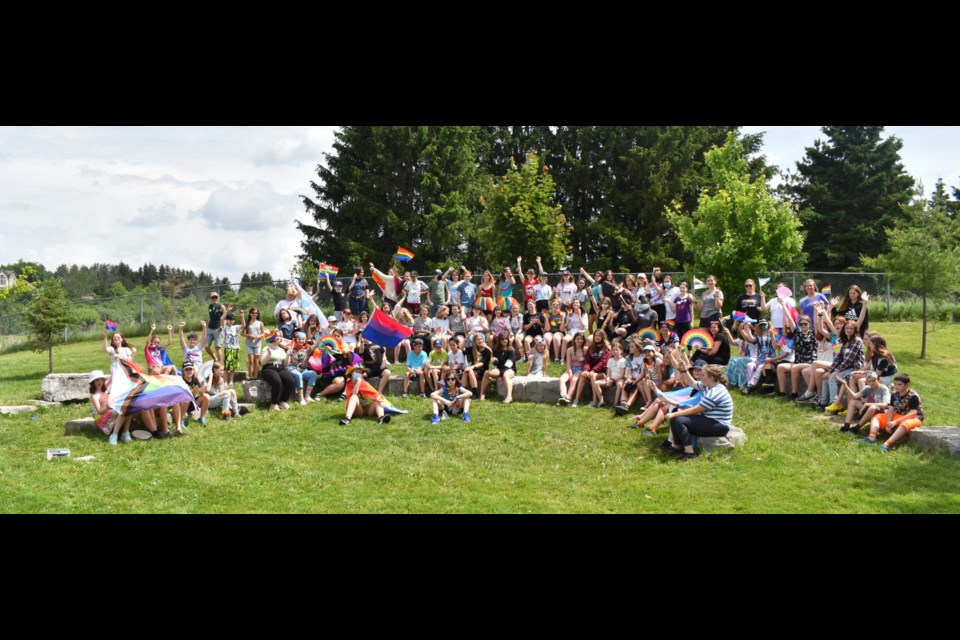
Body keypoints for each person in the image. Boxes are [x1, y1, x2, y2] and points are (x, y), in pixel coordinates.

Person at [661, 364, 734, 461]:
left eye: (703, 375)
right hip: (710, 419)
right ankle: (677, 447)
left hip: (719, 425)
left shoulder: (715, 393)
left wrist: (674, 414)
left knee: (679, 420)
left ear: (711, 377)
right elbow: (692, 383)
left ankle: (690, 453)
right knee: (676, 419)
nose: (700, 376)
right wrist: (684, 371)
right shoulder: (709, 386)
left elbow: (696, 409)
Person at [858, 373, 923, 452]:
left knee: (904, 425)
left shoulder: (913, 396)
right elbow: (891, 409)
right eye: (895, 384)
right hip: (898, 415)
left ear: (907, 385)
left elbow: (913, 413)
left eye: (899, 384)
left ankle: (886, 444)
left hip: (913, 418)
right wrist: (889, 423)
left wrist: (895, 422)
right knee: (876, 417)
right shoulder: (894, 395)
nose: (896, 386)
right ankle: (871, 438)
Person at [821, 318, 866, 413]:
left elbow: (849, 359)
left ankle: (835, 404)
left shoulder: (857, 341)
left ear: (855, 330)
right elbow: (839, 358)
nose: (849, 330)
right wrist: (830, 370)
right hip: (846, 367)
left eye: (851, 329)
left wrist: (836, 372)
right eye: (847, 328)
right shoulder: (845, 341)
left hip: (855, 368)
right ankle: (823, 402)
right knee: (826, 378)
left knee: (833, 378)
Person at [89, 370, 130, 444]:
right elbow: (99, 411)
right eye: (96, 380)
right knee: (121, 411)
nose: (99, 382)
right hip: (101, 415)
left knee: (129, 407)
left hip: (110, 409)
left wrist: (118, 364)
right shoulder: (94, 396)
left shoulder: (104, 387)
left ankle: (125, 432)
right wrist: (107, 406)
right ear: (92, 382)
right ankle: (114, 435)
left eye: (101, 379)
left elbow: (113, 375)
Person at [259, 331, 295, 411]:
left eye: (280, 336)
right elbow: (262, 362)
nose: (278, 337)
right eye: (276, 335)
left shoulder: (282, 350)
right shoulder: (267, 348)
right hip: (269, 368)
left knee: (291, 381)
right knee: (277, 381)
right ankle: (274, 404)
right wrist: (269, 354)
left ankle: (283, 402)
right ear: (272, 337)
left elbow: (285, 365)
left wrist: (288, 355)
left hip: (280, 368)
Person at [481, 332, 518, 403]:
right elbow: (498, 363)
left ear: (508, 340)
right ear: (499, 340)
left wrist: (500, 374)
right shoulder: (497, 350)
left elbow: (509, 364)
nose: (504, 341)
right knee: (486, 373)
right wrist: (495, 361)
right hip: (500, 369)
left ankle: (509, 396)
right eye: (502, 339)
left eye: (506, 339)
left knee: (505, 376)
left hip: (510, 369)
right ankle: (482, 394)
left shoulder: (511, 350)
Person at [592, 339, 624, 408]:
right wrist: (608, 379)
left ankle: (616, 402)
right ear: (611, 351)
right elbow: (608, 372)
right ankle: (601, 401)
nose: (615, 351)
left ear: (621, 351)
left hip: (618, 379)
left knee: (619, 384)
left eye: (617, 350)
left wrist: (612, 380)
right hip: (611, 379)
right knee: (596, 383)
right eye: (613, 350)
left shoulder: (623, 361)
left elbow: (622, 375)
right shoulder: (610, 360)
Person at [557, 332, 587, 406]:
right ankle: (563, 395)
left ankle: (568, 398)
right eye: (578, 339)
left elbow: (587, 362)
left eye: (581, 339)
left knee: (574, 380)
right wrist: (570, 372)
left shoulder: (585, 350)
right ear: (574, 340)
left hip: (580, 369)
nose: (579, 340)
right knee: (562, 379)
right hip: (571, 368)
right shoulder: (570, 350)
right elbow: (568, 363)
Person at [582, 331, 611, 408]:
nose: (597, 337)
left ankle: (594, 401)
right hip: (593, 372)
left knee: (592, 375)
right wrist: (586, 370)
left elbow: (603, 362)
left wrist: (593, 370)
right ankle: (578, 399)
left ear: (602, 337)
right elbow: (587, 360)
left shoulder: (607, 349)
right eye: (596, 336)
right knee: (586, 375)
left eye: (599, 336)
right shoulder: (591, 348)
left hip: (604, 373)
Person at [288, 332, 318, 404]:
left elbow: (316, 345)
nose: (301, 341)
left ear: (305, 340)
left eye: (303, 339)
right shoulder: (291, 348)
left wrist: (319, 338)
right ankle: (301, 398)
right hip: (292, 368)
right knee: (298, 375)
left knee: (313, 373)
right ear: (296, 339)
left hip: (303, 369)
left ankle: (307, 397)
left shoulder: (307, 349)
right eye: (299, 339)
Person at [180, 361, 210, 427]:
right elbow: (183, 396)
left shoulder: (195, 379)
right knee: (187, 399)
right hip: (183, 404)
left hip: (193, 402)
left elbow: (199, 393)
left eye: (190, 369)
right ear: (183, 371)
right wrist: (193, 391)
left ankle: (202, 418)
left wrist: (202, 390)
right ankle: (181, 420)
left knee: (207, 396)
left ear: (193, 370)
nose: (189, 371)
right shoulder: (181, 381)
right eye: (186, 369)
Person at [205, 292, 232, 362]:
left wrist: (222, 326)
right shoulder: (210, 307)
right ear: (210, 299)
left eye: (216, 297)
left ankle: (219, 365)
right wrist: (206, 327)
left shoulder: (221, 306)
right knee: (206, 346)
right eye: (212, 297)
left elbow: (225, 317)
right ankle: (215, 358)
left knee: (217, 347)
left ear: (218, 298)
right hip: (210, 328)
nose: (214, 299)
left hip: (218, 329)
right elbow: (210, 317)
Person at [243, 307, 264, 381]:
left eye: (256, 313)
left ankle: (255, 376)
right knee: (251, 360)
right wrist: (249, 335)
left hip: (257, 343)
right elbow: (242, 333)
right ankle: (250, 376)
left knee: (256, 361)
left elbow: (264, 332)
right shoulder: (247, 322)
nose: (255, 314)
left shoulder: (260, 323)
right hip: (249, 343)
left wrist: (259, 336)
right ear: (250, 314)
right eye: (253, 313)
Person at [221, 311, 243, 385]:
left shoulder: (235, 327)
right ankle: (224, 382)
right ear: (227, 320)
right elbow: (221, 319)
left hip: (235, 349)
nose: (232, 321)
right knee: (227, 367)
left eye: (233, 319)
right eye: (230, 319)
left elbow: (244, 325)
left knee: (233, 367)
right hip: (228, 349)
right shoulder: (225, 327)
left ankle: (231, 381)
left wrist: (242, 316)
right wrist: (226, 311)